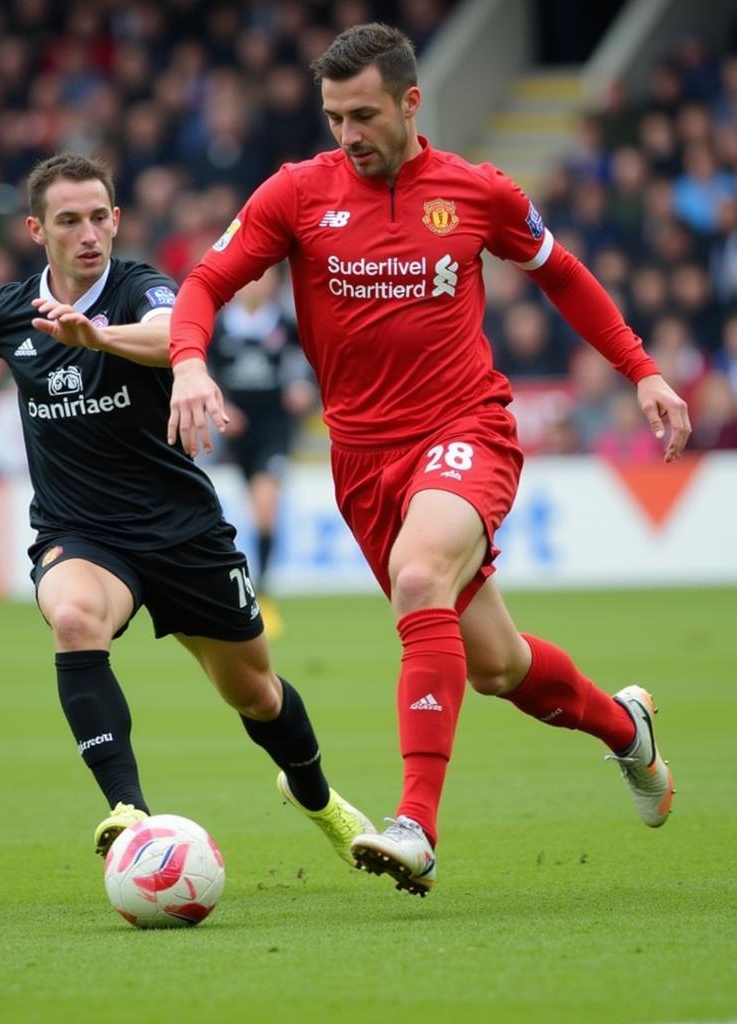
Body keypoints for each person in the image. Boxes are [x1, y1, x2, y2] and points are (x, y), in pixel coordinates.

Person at [167, 24, 690, 898]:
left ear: (411, 102)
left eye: (363, 114)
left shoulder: (476, 191)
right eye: (334, 117)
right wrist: (188, 358)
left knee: (418, 581)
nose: (347, 135)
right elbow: (207, 283)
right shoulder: (297, 194)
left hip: (465, 429)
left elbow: (562, 273)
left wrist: (642, 369)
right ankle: (625, 727)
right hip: (363, 463)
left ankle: (416, 824)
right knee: (497, 667)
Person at [0, 152, 372, 869]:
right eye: (69, 221)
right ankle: (130, 812)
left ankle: (318, 799)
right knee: (72, 617)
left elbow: (176, 333)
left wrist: (97, 337)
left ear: (116, 220)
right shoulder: (10, 310)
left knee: (256, 693)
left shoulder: (139, 289)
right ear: (37, 229)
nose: (88, 233)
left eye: (99, 217)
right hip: (81, 533)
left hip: (182, 532)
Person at [206, 264, 317, 638]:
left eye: (267, 276)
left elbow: (313, 363)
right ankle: (233, 590)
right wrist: (221, 405)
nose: (259, 283)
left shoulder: (285, 324)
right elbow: (204, 371)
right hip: (236, 431)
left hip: (274, 427)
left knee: (266, 503)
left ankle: (263, 595)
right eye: (254, 276)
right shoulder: (221, 329)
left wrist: (304, 388)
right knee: (239, 512)